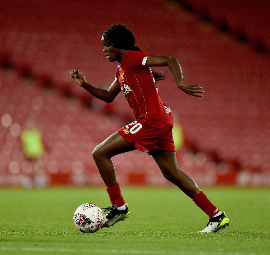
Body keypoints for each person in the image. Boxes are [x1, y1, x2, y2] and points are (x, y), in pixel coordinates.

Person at [70, 24, 229, 233]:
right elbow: (108, 97)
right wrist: (85, 84)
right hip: (159, 121)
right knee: (172, 173)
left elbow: (170, 60)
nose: (104, 50)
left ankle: (119, 207)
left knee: (99, 153)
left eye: (106, 45)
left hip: (152, 121)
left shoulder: (134, 59)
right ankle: (216, 216)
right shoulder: (121, 70)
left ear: (118, 45)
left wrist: (180, 82)